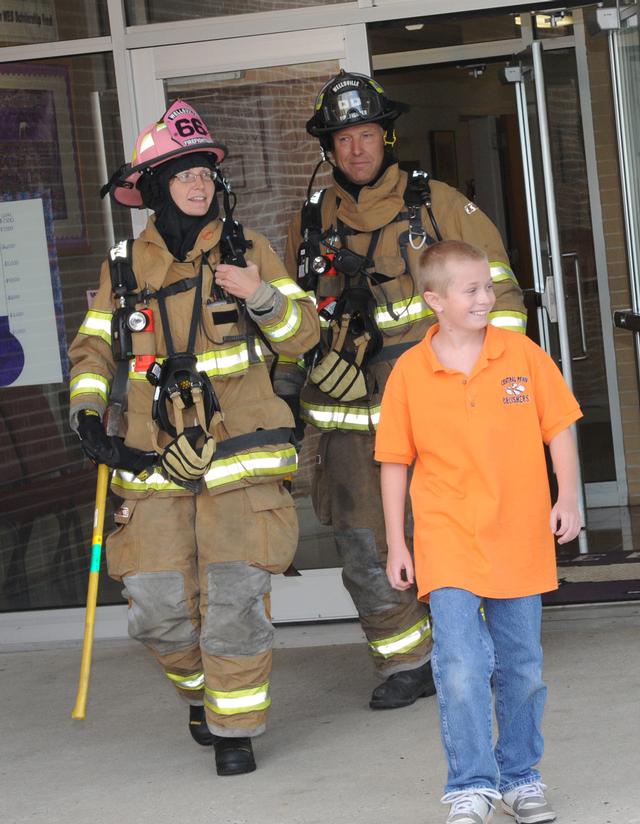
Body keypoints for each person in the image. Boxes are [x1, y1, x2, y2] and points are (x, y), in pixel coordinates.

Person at [68, 100, 320, 776]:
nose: (198, 184)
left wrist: (261, 295)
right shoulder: (123, 267)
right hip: (153, 465)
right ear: (153, 188)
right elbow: (95, 348)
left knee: (234, 605)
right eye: (182, 173)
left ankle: (234, 732)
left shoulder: (250, 249)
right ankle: (200, 691)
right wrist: (88, 413)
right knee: (156, 611)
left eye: (205, 171)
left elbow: (304, 335)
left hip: (240, 463)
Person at [282, 71, 527, 710]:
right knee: (367, 545)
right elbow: (292, 319)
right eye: (342, 139)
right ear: (327, 149)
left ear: (385, 136)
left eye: (366, 134)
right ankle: (407, 662)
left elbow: (497, 294)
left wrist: (494, 382)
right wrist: (290, 389)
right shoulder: (310, 223)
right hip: (351, 417)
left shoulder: (438, 205)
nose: (356, 149)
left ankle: (478, 651)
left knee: (460, 533)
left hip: (442, 411)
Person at [375, 240, 582, 824]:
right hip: (446, 537)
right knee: (462, 664)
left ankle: (520, 777)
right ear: (434, 299)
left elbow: (560, 425)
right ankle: (470, 784)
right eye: (472, 290)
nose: (487, 297)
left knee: (522, 665)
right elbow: (394, 462)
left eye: (489, 286)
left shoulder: (520, 354)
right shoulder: (410, 373)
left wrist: (567, 496)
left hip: (519, 532)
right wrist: (398, 542)